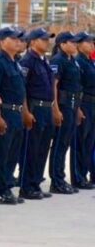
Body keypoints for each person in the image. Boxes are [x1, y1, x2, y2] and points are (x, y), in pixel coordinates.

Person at [0, 28, 30, 205]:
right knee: (2, 153)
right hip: (5, 111)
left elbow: (21, 90)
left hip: (17, 112)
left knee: (13, 152)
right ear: (1, 41)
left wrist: (24, 112)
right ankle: (0, 190)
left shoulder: (15, 62)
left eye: (18, 39)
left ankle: (7, 186)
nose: (17, 42)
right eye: (13, 38)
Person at [20, 28, 56, 200]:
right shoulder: (27, 61)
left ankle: (35, 183)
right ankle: (26, 186)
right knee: (31, 148)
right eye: (44, 39)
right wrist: (26, 112)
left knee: (42, 148)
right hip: (35, 107)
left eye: (48, 39)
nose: (48, 42)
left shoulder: (44, 61)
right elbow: (22, 89)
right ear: (33, 41)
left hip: (46, 108)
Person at [49, 32, 83, 194]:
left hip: (73, 104)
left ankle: (60, 178)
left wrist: (78, 109)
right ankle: (56, 181)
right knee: (59, 143)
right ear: (62, 44)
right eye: (72, 42)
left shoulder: (72, 60)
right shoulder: (58, 60)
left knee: (65, 143)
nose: (75, 44)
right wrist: (55, 109)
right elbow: (54, 86)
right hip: (63, 105)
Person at [73, 33, 95, 188]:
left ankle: (84, 174)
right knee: (80, 142)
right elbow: (77, 87)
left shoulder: (90, 62)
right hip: (84, 104)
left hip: (92, 105)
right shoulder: (79, 62)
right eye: (88, 42)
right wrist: (78, 108)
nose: (91, 45)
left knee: (89, 142)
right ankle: (78, 177)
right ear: (79, 45)